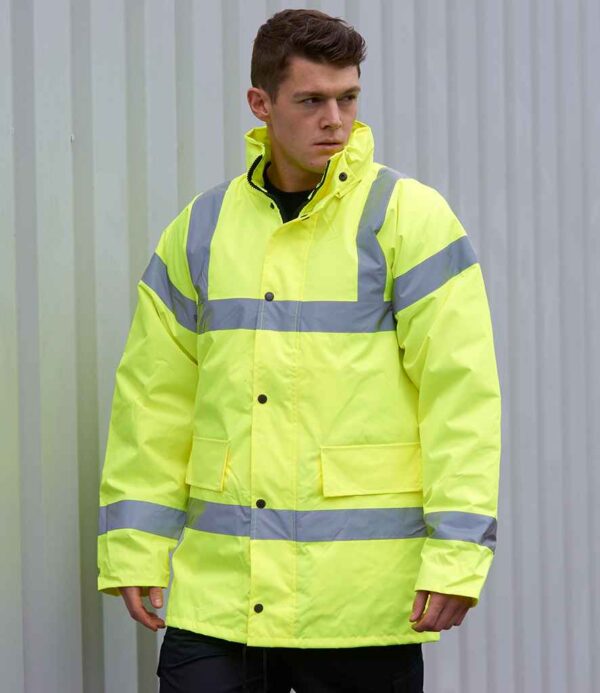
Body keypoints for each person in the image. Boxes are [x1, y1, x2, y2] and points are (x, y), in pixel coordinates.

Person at [97, 9, 501, 693]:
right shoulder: (201, 230)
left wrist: (458, 556)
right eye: (311, 101)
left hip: (359, 608)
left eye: (348, 98)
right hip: (220, 602)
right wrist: (135, 546)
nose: (335, 121)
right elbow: (152, 403)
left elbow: (461, 399)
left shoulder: (408, 219)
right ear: (261, 104)